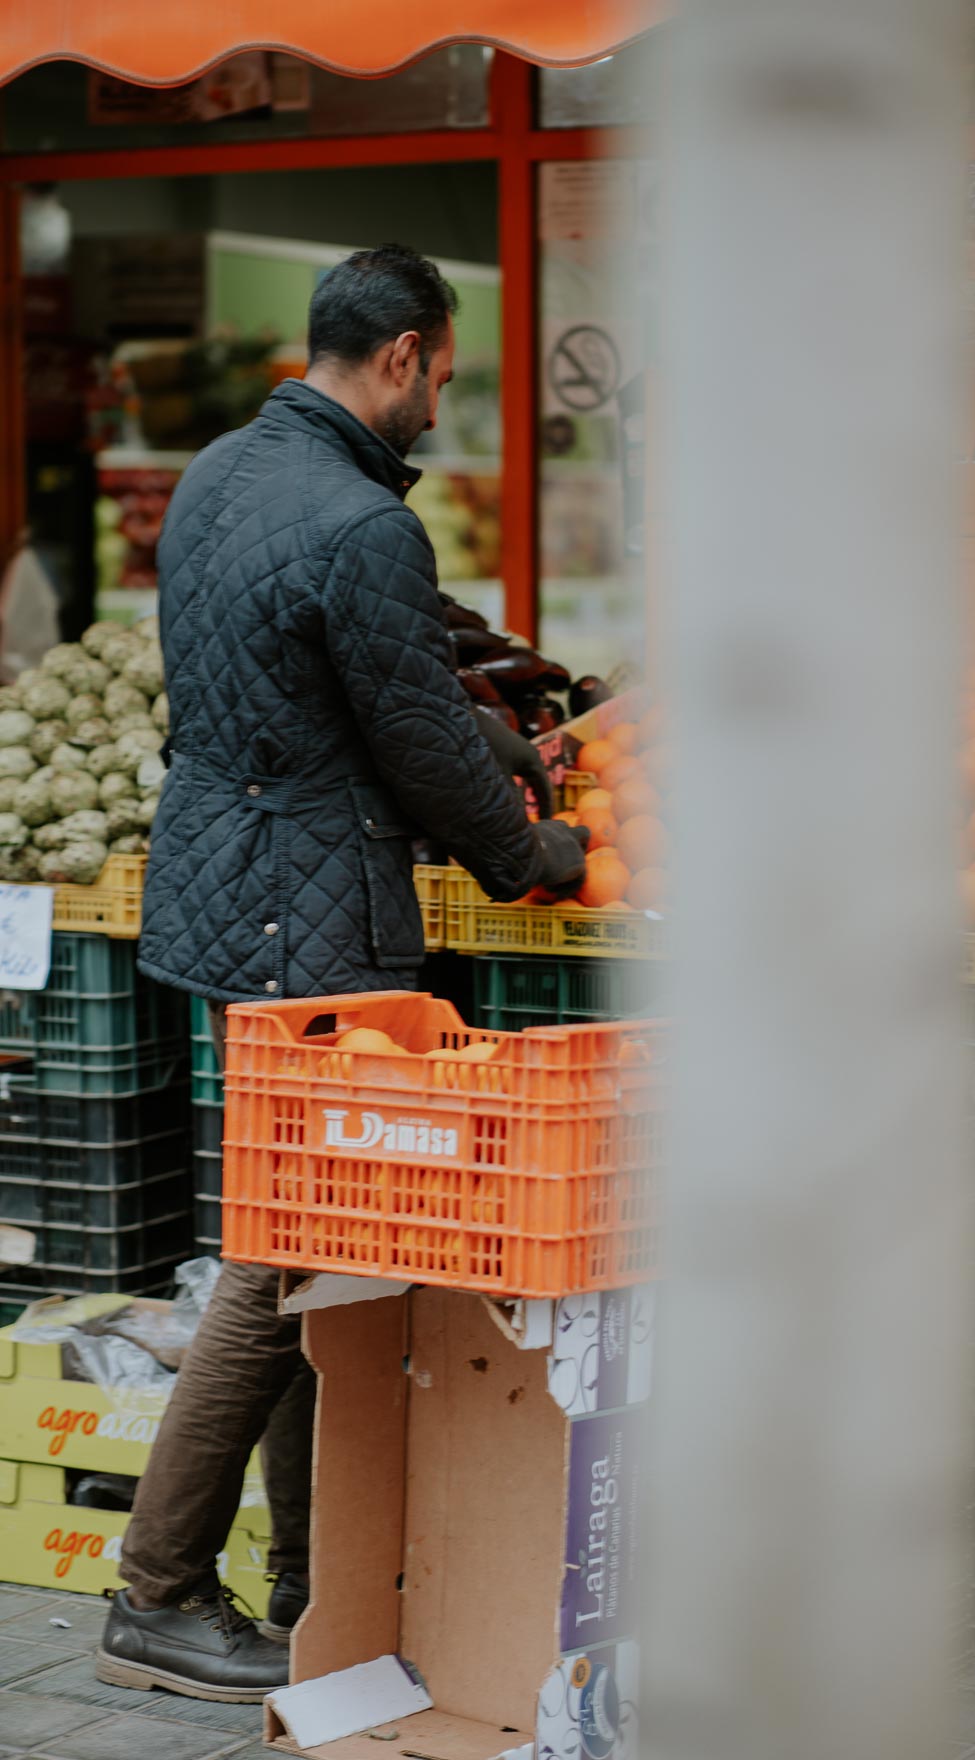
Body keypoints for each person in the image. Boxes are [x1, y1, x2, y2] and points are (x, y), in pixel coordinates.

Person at [96, 244, 588, 1704]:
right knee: (279, 1261)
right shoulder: (365, 527)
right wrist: (533, 853)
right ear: (403, 358)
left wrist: (501, 751)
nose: (441, 394)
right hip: (302, 922)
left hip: (217, 889)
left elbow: (351, 682)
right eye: (440, 369)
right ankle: (160, 1592)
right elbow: (412, 739)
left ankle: (317, 1581)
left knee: (318, 1251)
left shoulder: (221, 473)